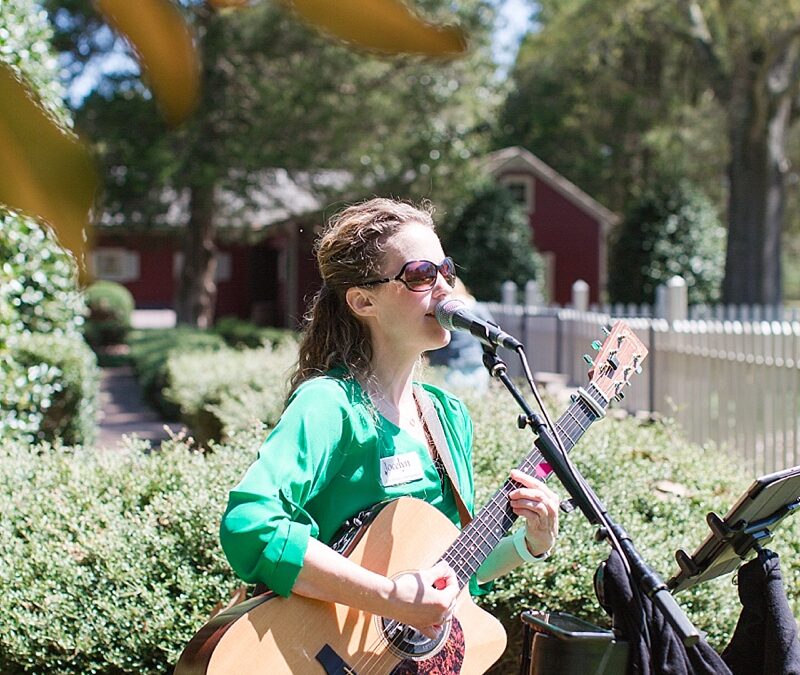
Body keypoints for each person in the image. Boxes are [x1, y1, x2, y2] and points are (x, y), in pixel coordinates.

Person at [219, 198, 559, 644]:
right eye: (420, 275)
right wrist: (387, 597)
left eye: (447, 270)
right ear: (363, 301)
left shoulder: (448, 417)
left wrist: (530, 543)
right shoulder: (328, 405)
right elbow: (250, 523)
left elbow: (449, 574)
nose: (444, 288)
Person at [426, 278, 494, 393]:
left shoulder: (444, 311)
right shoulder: (477, 308)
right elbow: (491, 334)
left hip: (447, 363)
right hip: (476, 362)